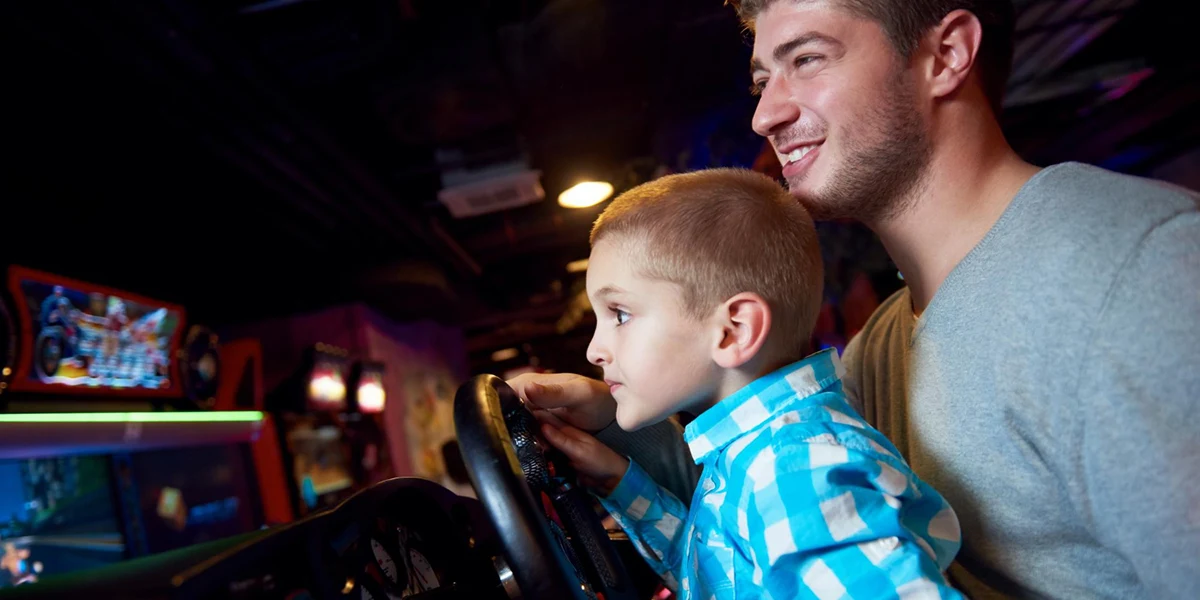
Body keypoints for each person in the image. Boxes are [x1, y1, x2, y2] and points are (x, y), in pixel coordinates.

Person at [511, 1, 1200, 598]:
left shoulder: (1138, 274)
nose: (764, 114)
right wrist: (608, 426)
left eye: (806, 59)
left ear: (946, 54)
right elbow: (753, 529)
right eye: (762, 78)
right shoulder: (882, 344)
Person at [537, 168, 965, 599]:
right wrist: (619, 483)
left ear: (733, 331)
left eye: (620, 315)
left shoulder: (792, 468)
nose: (594, 350)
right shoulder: (752, 453)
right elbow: (723, 578)